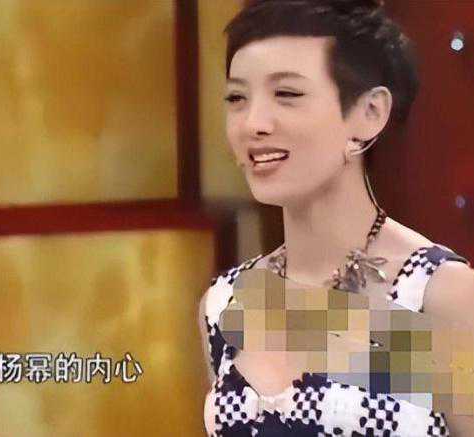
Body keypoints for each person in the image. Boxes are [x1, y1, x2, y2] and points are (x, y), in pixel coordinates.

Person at [198, 0, 474, 435]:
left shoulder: (436, 296)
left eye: (287, 94)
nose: (253, 123)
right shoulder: (225, 304)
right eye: (237, 98)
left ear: (369, 114)